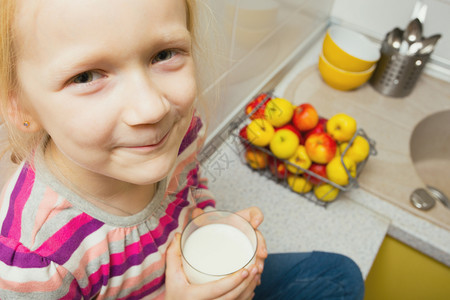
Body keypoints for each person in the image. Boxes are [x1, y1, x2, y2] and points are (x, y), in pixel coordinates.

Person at [0, 0, 364, 299]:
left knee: (337, 276)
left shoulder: (175, 136)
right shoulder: (36, 261)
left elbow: (191, 189)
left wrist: (207, 221)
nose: (152, 108)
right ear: (20, 107)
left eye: (163, 54)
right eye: (86, 76)